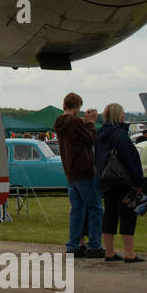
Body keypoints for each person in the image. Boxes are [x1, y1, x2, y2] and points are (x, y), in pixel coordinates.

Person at [55, 93, 103, 258]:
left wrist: (84, 122)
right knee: (95, 208)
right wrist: (90, 123)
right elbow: (90, 140)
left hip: (70, 171)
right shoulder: (76, 122)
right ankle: (95, 244)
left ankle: (73, 245)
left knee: (77, 209)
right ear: (77, 106)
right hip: (84, 170)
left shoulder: (60, 122)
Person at [95, 103, 145, 262]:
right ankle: (129, 253)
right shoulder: (120, 135)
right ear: (119, 115)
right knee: (128, 215)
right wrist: (138, 181)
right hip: (123, 180)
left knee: (109, 215)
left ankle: (109, 251)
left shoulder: (100, 134)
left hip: (106, 179)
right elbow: (131, 160)